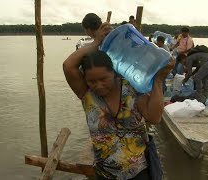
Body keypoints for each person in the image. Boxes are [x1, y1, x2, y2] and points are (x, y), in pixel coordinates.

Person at [63, 21, 175, 179]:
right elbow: (68, 66)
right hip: (105, 173)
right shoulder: (86, 94)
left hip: (139, 172)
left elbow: (154, 117)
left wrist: (158, 80)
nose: (98, 85)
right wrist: (97, 42)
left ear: (114, 73)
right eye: (92, 81)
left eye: (103, 79)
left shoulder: (132, 88)